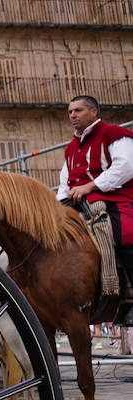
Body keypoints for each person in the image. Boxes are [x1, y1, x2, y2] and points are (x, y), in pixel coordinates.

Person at [58, 95, 133, 320]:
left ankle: (129, 296)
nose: (73, 115)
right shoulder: (71, 147)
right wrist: (56, 206)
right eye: (70, 111)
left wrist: (91, 186)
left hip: (115, 199)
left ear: (93, 112)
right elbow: (66, 181)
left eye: (78, 110)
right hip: (79, 202)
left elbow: (126, 166)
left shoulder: (114, 134)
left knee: (124, 233)